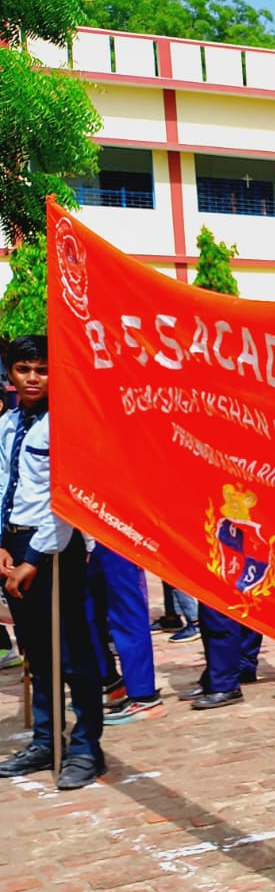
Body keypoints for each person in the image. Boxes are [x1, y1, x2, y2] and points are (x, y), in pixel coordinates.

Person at [0, 336, 106, 788]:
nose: (33, 378)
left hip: (57, 550)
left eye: (42, 369)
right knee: (37, 652)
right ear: (10, 374)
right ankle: (46, 738)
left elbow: (63, 502)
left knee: (73, 650)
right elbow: (4, 481)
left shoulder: (64, 424)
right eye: (24, 369)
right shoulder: (7, 424)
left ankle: (85, 746)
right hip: (14, 545)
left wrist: (35, 559)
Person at [90, 548, 164, 724]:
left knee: (127, 615)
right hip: (87, 537)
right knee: (88, 614)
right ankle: (109, 682)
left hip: (117, 537)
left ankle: (144, 696)